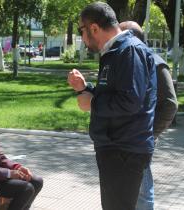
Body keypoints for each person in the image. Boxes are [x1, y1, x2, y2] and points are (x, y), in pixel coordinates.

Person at [67, 2, 157, 210]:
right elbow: (116, 92)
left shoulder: (129, 50)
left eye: (82, 30)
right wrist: (86, 87)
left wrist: (93, 102)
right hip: (116, 148)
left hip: (124, 150)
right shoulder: (115, 51)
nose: (82, 37)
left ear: (94, 28)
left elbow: (130, 101)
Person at [119, 21, 178, 210]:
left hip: (140, 139)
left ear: (131, 37)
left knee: (142, 190)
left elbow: (170, 104)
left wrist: (150, 133)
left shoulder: (155, 62)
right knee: (130, 187)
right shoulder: (130, 61)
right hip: (127, 139)